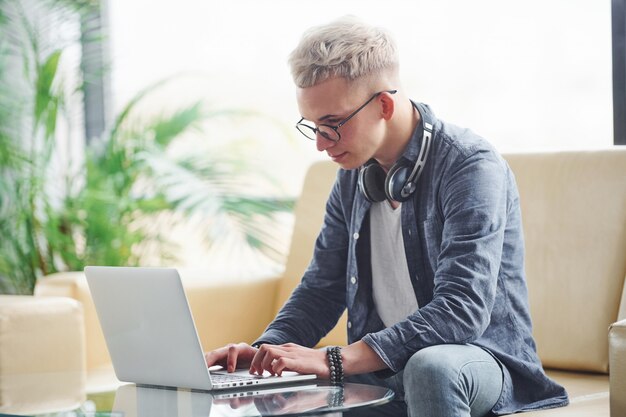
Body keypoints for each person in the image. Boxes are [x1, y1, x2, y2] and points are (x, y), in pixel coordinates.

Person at [205, 16, 568, 416]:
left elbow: (462, 308)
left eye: (332, 125)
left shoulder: (470, 166)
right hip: (383, 365)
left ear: (384, 104)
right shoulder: (352, 176)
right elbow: (321, 288)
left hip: (479, 362)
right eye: (313, 127)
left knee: (430, 366)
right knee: (290, 389)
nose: (322, 145)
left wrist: (335, 360)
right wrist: (262, 355)